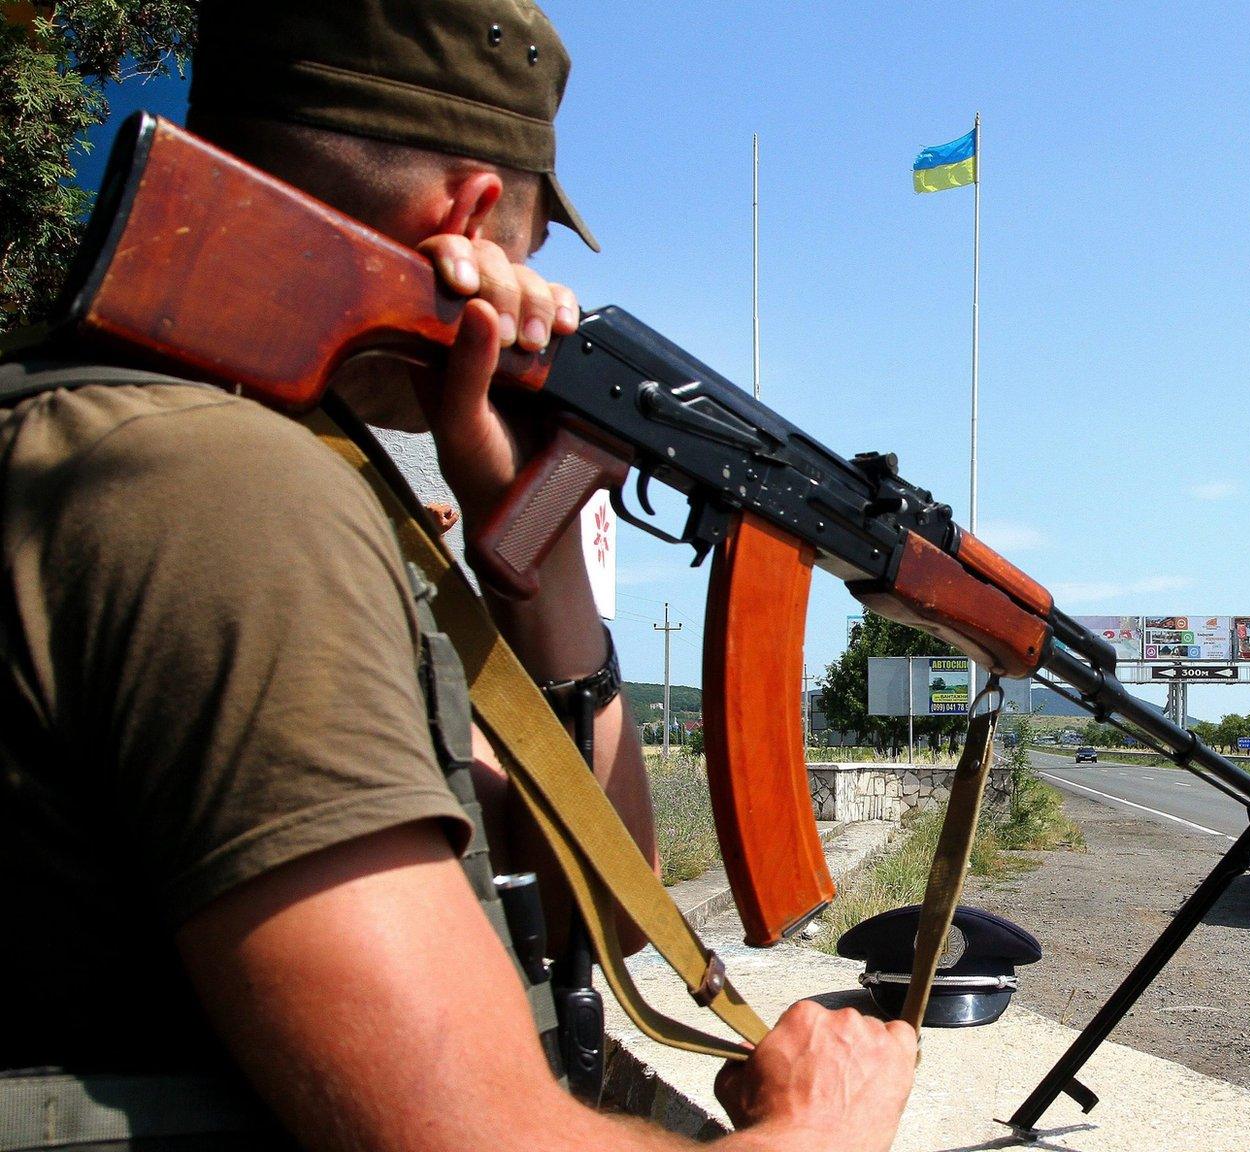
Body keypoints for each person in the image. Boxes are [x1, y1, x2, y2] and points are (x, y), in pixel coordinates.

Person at [0, 1, 916, 1148]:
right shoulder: (229, 495)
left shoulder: (114, 434)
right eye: (533, 248)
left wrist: (530, 540)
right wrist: (823, 1127)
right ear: (475, 212)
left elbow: (607, 907)